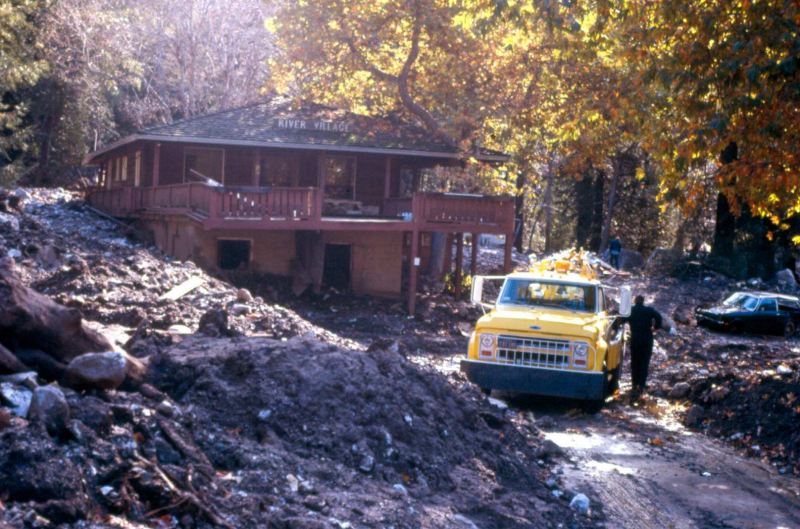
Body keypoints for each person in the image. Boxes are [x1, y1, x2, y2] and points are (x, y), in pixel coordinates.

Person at [620, 295, 662, 394]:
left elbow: (622, 320)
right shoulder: (649, 310)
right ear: (643, 302)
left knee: (635, 362)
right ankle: (642, 385)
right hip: (647, 339)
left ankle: (634, 384)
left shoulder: (631, 310)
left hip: (635, 339)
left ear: (634, 301)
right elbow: (659, 317)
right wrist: (655, 328)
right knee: (644, 362)